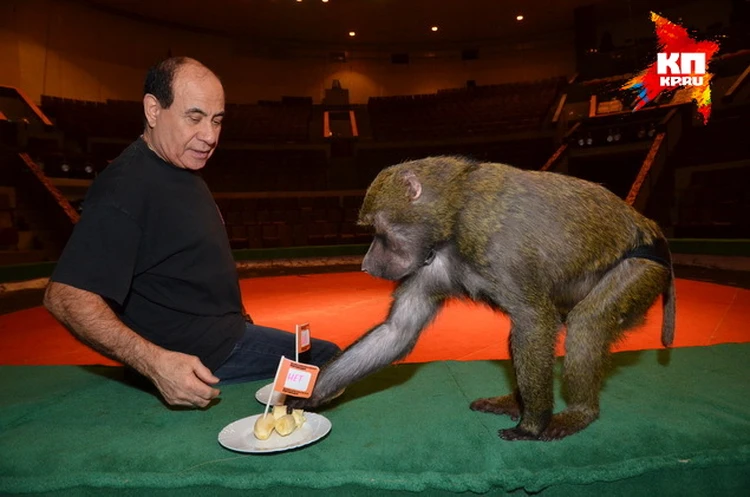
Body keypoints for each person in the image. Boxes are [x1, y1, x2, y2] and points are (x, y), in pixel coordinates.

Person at [43, 56, 341, 408]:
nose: (210, 136)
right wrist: (156, 364)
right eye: (195, 117)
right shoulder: (125, 187)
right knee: (332, 363)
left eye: (217, 121)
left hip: (225, 335)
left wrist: (237, 315)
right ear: (153, 110)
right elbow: (64, 296)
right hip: (202, 357)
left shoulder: (181, 164)